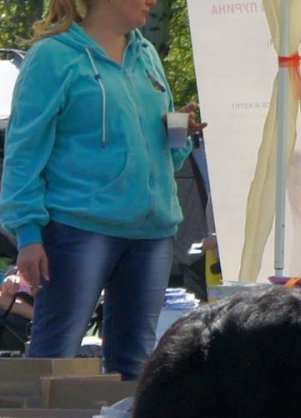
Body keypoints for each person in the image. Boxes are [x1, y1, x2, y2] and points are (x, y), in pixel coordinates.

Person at [0, 0, 206, 380]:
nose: (153, 1)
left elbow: (166, 156)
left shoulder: (145, 53)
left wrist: (180, 135)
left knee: (136, 364)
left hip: (152, 232)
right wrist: (28, 234)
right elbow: (23, 153)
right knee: (53, 355)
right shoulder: (53, 57)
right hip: (78, 230)